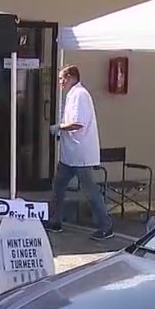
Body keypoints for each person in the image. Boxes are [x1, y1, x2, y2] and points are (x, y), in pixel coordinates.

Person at [47, 65, 113, 240]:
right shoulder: (73, 95)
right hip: (70, 154)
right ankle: (55, 220)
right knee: (58, 186)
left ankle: (106, 226)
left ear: (69, 77)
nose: (60, 82)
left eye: (62, 79)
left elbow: (78, 123)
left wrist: (58, 127)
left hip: (80, 153)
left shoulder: (79, 95)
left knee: (90, 191)